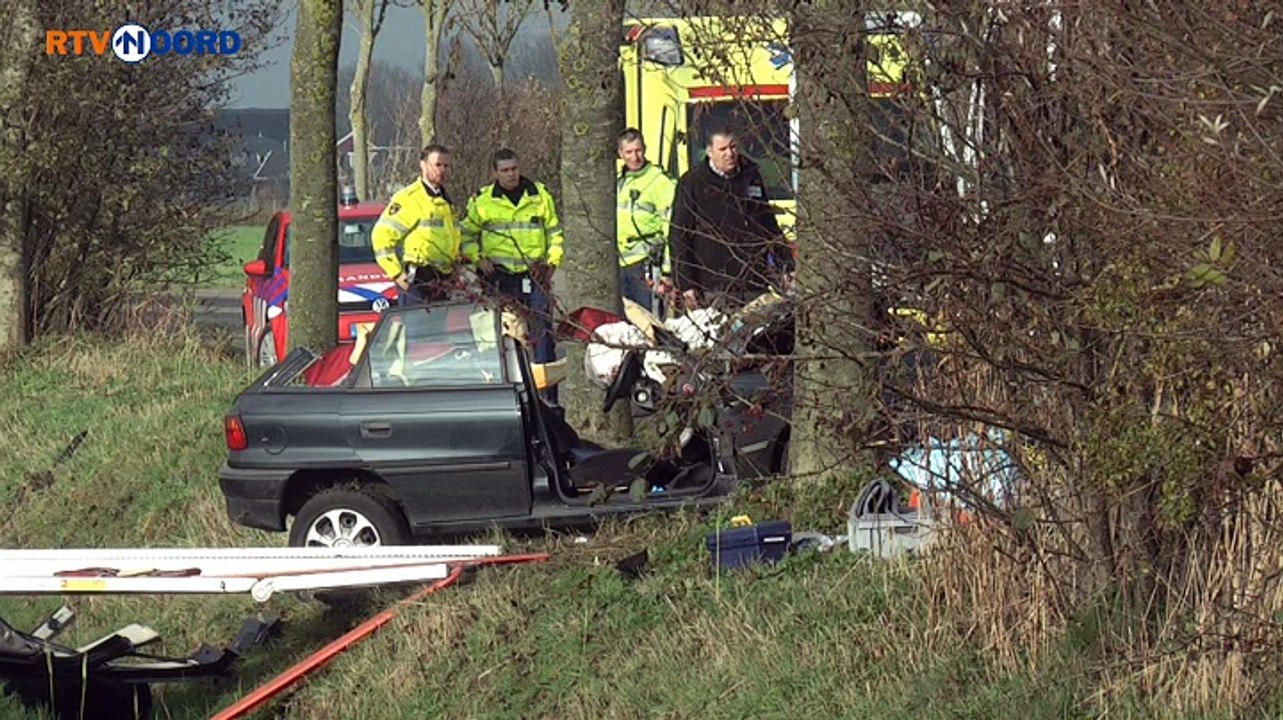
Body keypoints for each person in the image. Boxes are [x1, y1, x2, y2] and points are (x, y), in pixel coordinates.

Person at [668, 124, 794, 312]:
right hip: (712, 285)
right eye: (723, 149)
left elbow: (768, 225)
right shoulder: (693, 183)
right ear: (710, 152)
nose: (730, 154)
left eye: (733, 147)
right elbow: (679, 236)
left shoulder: (751, 176)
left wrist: (787, 265)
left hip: (753, 282)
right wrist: (685, 284)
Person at [460, 148, 564, 370]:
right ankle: (508, 384)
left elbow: (555, 234)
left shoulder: (539, 196)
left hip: (534, 276)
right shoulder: (483, 201)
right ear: (495, 173)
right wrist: (478, 259)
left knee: (542, 335)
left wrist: (552, 263)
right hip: (499, 277)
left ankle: (547, 387)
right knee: (501, 336)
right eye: (505, 170)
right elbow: (466, 236)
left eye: (514, 169)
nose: (511, 174)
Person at [371, 143, 462, 306]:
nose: (442, 170)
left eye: (446, 166)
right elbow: (381, 237)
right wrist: (397, 274)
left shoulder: (446, 201)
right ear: (423, 165)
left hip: (443, 280)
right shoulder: (410, 199)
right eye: (437, 165)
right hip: (417, 280)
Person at [616, 128, 676, 314]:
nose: (635, 157)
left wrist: (667, 272)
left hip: (647, 265)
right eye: (629, 152)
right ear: (620, 154)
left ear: (645, 149)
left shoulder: (659, 181)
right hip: (620, 264)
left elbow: (671, 228)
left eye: (638, 150)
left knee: (650, 321)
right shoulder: (619, 181)